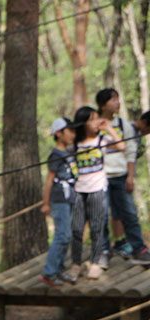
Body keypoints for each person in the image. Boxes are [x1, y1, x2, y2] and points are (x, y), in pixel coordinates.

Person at [96, 88, 150, 264]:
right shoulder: (94, 124)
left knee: (129, 214)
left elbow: (130, 152)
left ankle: (139, 249)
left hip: (120, 176)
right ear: (103, 104)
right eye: (113, 100)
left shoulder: (123, 124)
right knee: (101, 215)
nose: (117, 103)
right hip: (99, 178)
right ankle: (103, 251)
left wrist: (130, 176)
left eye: (118, 99)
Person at [71, 106, 124, 279]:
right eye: (92, 119)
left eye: (96, 118)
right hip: (79, 191)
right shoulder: (75, 143)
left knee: (97, 227)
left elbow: (122, 146)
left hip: (98, 189)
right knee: (77, 229)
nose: (96, 122)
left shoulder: (102, 139)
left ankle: (95, 262)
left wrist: (108, 128)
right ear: (83, 123)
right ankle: (76, 263)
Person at [40, 118, 79, 287]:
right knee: (62, 235)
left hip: (69, 198)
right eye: (69, 131)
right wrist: (46, 203)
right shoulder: (55, 156)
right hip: (59, 199)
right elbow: (49, 180)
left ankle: (59, 269)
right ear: (59, 133)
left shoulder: (69, 153)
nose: (73, 134)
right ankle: (49, 272)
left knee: (67, 235)